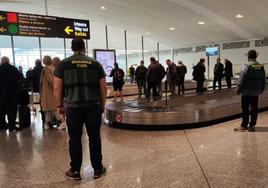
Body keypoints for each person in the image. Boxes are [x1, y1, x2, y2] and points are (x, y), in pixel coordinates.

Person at [54, 38, 107, 180]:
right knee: (94, 138)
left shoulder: (63, 64)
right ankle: (97, 169)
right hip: (93, 106)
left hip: (73, 107)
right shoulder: (95, 64)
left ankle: (75, 171)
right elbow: (103, 88)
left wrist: (59, 106)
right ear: (84, 47)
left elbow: (57, 88)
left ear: (72, 48)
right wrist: (102, 105)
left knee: (75, 139)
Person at [235, 50, 266, 132]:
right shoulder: (261, 66)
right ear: (256, 56)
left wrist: (238, 89)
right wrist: (261, 89)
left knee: (245, 108)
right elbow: (263, 79)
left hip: (246, 92)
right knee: (254, 108)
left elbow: (242, 79)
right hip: (256, 92)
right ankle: (252, 125)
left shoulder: (247, 65)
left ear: (248, 56)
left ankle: (244, 125)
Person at [39, 55, 66, 130]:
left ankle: (62, 121)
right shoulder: (52, 68)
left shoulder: (46, 69)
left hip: (48, 92)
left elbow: (51, 81)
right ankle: (47, 123)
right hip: (49, 92)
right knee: (48, 109)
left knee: (52, 108)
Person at [0, 56, 23, 131]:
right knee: (12, 110)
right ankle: (11, 126)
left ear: (1, 61)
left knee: (1, 110)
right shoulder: (13, 68)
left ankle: (2, 125)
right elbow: (20, 77)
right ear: (8, 61)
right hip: (12, 93)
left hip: (1, 94)